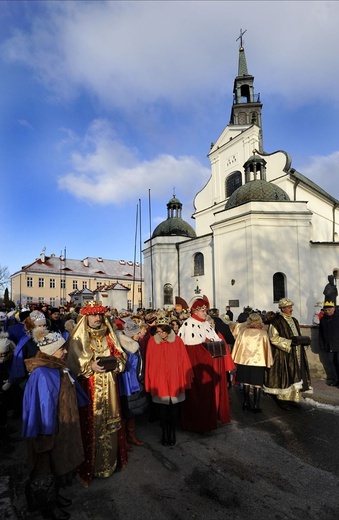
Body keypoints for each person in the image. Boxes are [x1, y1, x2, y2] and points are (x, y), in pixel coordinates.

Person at [22, 327, 87, 520]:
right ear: (51, 351)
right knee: (45, 469)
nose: (65, 351)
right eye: (61, 349)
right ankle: (48, 508)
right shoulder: (42, 373)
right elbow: (41, 406)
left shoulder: (58, 368)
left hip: (61, 428)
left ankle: (55, 497)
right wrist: (44, 435)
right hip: (49, 432)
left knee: (56, 466)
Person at [67, 301, 127, 486]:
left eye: (100, 315)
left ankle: (110, 462)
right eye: (93, 315)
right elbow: (74, 362)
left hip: (109, 388)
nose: (97, 318)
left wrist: (116, 363)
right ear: (85, 317)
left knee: (111, 423)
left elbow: (121, 356)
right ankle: (91, 466)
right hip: (90, 389)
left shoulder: (109, 334)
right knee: (91, 424)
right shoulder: (79, 336)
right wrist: (89, 366)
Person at [178, 297, 231, 433]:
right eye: (203, 311)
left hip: (211, 364)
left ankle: (208, 421)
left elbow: (215, 340)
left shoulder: (206, 324)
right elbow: (191, 349)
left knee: (209, 394)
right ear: (195, 311)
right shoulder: (188, 324)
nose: (205, 313)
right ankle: (196, 424)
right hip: (198, 367)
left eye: (205, 311)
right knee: (197, 395)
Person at [145, 318, 193, 446]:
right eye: (158, 332)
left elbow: (184, 360)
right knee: (162, 409)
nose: (161, 334)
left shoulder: (177, 341)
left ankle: (172, 433)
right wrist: (150, 379)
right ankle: (165, 433)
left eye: (163, 331)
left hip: (175, 379)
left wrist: (184, 377)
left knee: (174, 409)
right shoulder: (152, 341)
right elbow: (149, 363)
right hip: (159, 379)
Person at [263, 298, 313, 410]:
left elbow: (297, 334)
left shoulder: (294, 320)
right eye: (289, 307)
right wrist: (289, 343)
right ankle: (283, 399)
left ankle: (293, 399)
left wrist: (303, 342)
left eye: (291, 307)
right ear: (282, 309)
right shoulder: (276, 321)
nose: (291, 309)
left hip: (296, 352)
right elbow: (273, 338)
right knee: (286, 375)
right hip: (283, 353)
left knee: (296, 375)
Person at [116, 318, 148, 450]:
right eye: (136, 333)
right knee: (126, 410)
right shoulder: (128, 346)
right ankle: (125, 438)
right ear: (129, 334)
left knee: (132, 410)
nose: (139, 335)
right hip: (128, 382)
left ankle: (131, 435)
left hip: (134, 381)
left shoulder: (135, 344)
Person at [232, 313, 273, 412]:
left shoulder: (243, 332)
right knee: (257, 384)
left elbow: (237, 345)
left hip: (244, 360)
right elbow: (267, 348)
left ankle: (246, 402)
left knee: (245, 382)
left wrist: (233, 357)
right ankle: (256, 405)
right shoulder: (263, 333)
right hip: (259, 362)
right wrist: (269, 361)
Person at [319, 301, 339, 386]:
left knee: (338, 362)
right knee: (331, 363)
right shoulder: (323, 320)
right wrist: (322, 344)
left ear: (333, 309)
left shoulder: (338, 318)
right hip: (328, 346)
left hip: (338, 345)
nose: (328, 311)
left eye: (329, 309)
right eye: (326, 310)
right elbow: (320, 333)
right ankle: (336, 379)